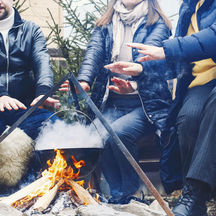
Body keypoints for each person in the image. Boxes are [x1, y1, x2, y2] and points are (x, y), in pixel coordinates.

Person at [107, 0, 216, 216]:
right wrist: (142, 69)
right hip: (204, 84)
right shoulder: (190, 7)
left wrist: (167, 48)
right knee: (188, 118)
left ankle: (194, 196)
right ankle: (195, 200)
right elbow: (181, 57)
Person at [61, 0, 173, 204]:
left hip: (146, 104)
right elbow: (93, 52)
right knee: (97, 137)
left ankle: (132, 193)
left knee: (118, 134)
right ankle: (117, 194)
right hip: (112, 101)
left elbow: (150, 62)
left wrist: (133, 85)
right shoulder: (105, 23)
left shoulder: (157, 24)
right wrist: (84, 81)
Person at [0, 0, 60, 210]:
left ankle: (34, 187)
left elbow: (42, 60)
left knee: (53, 124)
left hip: (24, 105)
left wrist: (42, 93)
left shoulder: (30, 30)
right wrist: (0, 95)